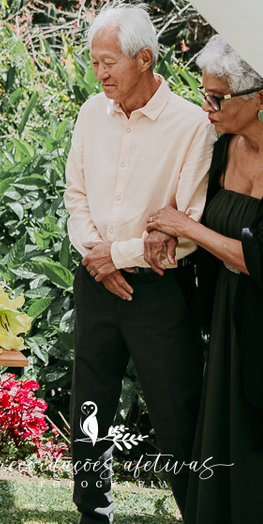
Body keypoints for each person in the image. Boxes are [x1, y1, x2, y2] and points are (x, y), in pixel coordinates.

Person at [64, 4, 214, 524]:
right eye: (94, 62)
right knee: (90, 408)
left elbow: (188, 226)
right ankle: (92, 513)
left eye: (109, 63)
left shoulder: (193, 126)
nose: (99, 73)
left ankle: (198, 511)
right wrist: (96, 256)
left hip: (159, 290)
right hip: (94, 281)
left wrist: (119, 256)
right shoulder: (90, 113)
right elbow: (75, 195)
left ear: (145, 58)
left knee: (176, 411)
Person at [143, 35, 263, 524]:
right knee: (228, 434)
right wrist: (162, 233)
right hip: (229, 314)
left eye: (217, 98)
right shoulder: (224, 149)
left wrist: (186, 227)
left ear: (259, 97)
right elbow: (191, 217)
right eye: (203, 93)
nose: (205, 107)